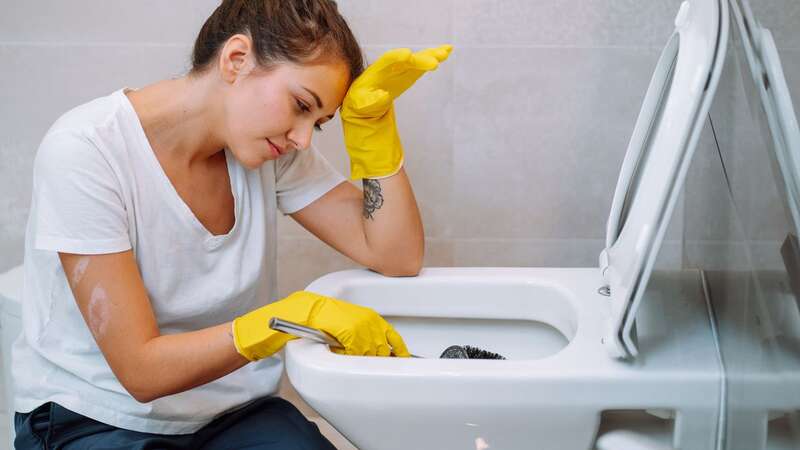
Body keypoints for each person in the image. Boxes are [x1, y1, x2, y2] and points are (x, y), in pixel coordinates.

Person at [11, 0, 452, 448]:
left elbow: (396, 256)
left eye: (317, 123)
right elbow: (140, 373)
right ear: (236, 60)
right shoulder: (87, 151)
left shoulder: (268, 151)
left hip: (229, 414)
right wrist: (284, 319)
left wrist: (373, 131)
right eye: (301, 105)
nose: (302, 137)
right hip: (97, 417)